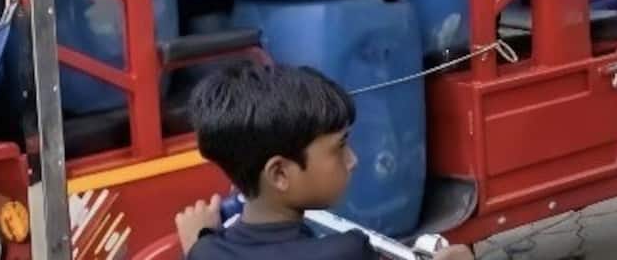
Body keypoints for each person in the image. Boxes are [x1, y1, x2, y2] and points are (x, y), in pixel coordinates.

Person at [173, 63, 472, 260]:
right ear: (279, 173)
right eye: (339, 147)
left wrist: (201, 238)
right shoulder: (346, 252)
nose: (352, 160)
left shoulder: (206, 251)